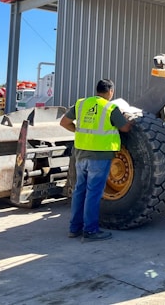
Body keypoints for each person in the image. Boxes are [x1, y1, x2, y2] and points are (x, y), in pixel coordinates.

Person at [60, 79, 132, 241]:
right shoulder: (110, 107)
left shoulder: (81, 103)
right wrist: (131, 121)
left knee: (80, 191)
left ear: (97, 90)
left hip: (80, 154)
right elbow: (125, 128)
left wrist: (77, 130)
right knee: (93, 193)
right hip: (100, 157)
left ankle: (74, 228)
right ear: (110, 92)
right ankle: (91, 231)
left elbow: (64, 122)